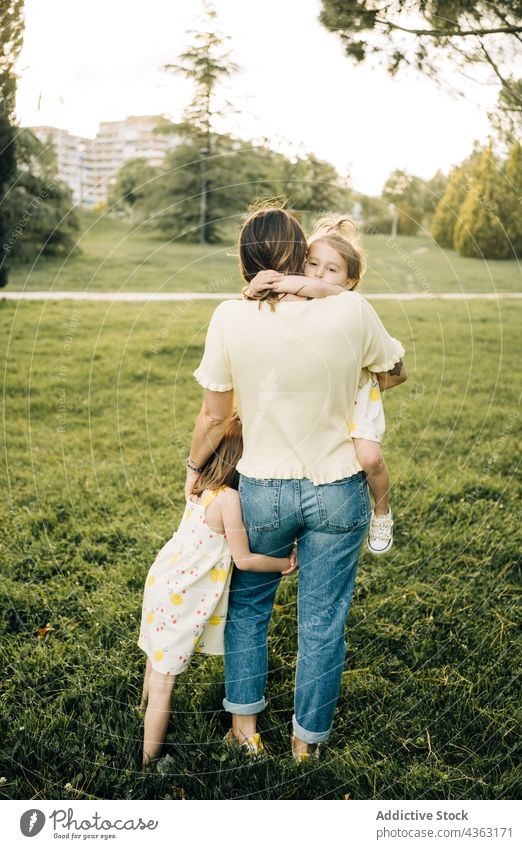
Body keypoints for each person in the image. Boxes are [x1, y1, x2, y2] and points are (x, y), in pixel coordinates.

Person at [187, 203, 407, 761]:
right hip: (338, 487)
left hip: (262, 488)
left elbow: (214, 416)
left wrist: (194, 471)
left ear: (248, 261)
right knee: (323, 619)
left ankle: (245, 731)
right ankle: (305, 744)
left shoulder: (229, 317)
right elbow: (396, 370)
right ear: (297, 256)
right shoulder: (353, 309)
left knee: (250, 608)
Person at [138, 412, 297, 768]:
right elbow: (244, 560)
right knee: (166, 685)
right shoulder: (229, 501)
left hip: (161, 581)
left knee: (155, 658)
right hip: (181, 598)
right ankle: (147, 764)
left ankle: (139, 708)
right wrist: (284, 562)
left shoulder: (195, 486)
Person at [245, 215, 398, 555]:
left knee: (369, 457)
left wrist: (285, 282)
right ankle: (301, 531)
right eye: (312, 264)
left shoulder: (345, 302)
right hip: (314, 402)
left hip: (357, 393)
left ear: (350, 281)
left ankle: (382, 510)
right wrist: (254, 290)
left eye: (332, 269)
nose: (318, 274)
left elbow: (396, 370)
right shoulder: (294, 302)